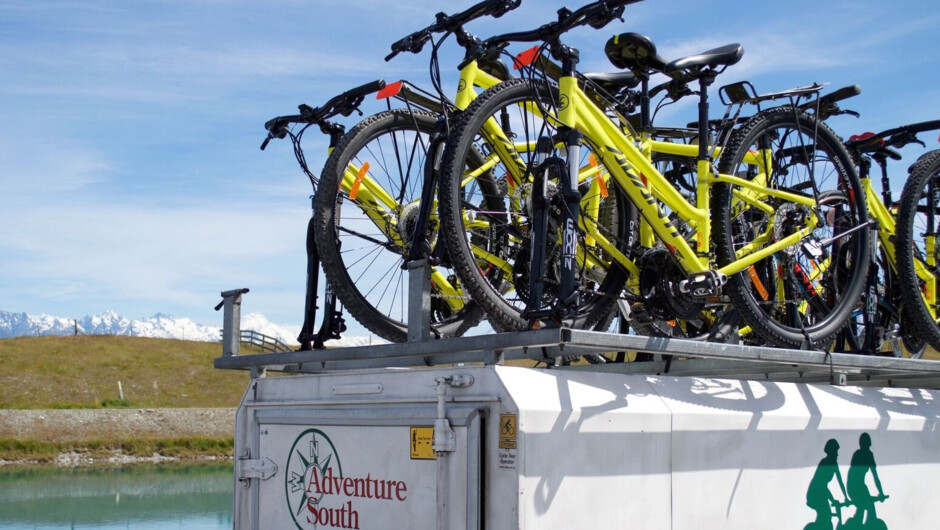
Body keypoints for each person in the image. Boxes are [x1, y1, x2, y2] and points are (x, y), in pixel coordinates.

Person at [806, 439, 848, 529]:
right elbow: (821, 486)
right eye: (835, 451)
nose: (837, 454)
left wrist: (846, 497)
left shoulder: (834, 464)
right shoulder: (824, 463)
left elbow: (840, 482)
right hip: (815, 493)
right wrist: (832, 500)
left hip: (821, 492)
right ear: (831, 452)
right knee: (826, 515)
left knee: (826, 515)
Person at [847, 432, 886, 526]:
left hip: (861, 487)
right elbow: (853, 475)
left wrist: (881, 492)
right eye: (865, 445)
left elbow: (875, 476)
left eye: (867, 446)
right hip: (854, 487)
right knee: (863, 508)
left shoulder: (869, 455)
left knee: (870, 509)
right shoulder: (858, 455)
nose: (867, 448)